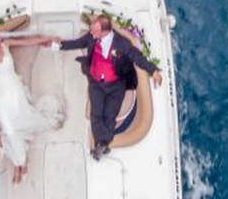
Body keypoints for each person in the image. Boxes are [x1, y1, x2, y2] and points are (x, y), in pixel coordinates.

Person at [0, 29, 63, 184]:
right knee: (10, 130)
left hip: (16, 91)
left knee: (23, 119)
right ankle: (20, 162)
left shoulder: (5, 45)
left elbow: (26, 41)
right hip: (0, 98)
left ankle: (19, 163)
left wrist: (46, 38)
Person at [57, 16, 164, 161]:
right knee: (96, 114)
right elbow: (77, 43)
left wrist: (154, 71)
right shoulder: (91, 37)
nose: (91, 32)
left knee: (109, 116)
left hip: (115, 86)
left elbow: (137, 57)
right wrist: (59, 45)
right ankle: (102, 144)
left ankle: (102, 143)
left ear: (105, 32)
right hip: (96, 82)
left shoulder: (121, 44)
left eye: (94, 30)